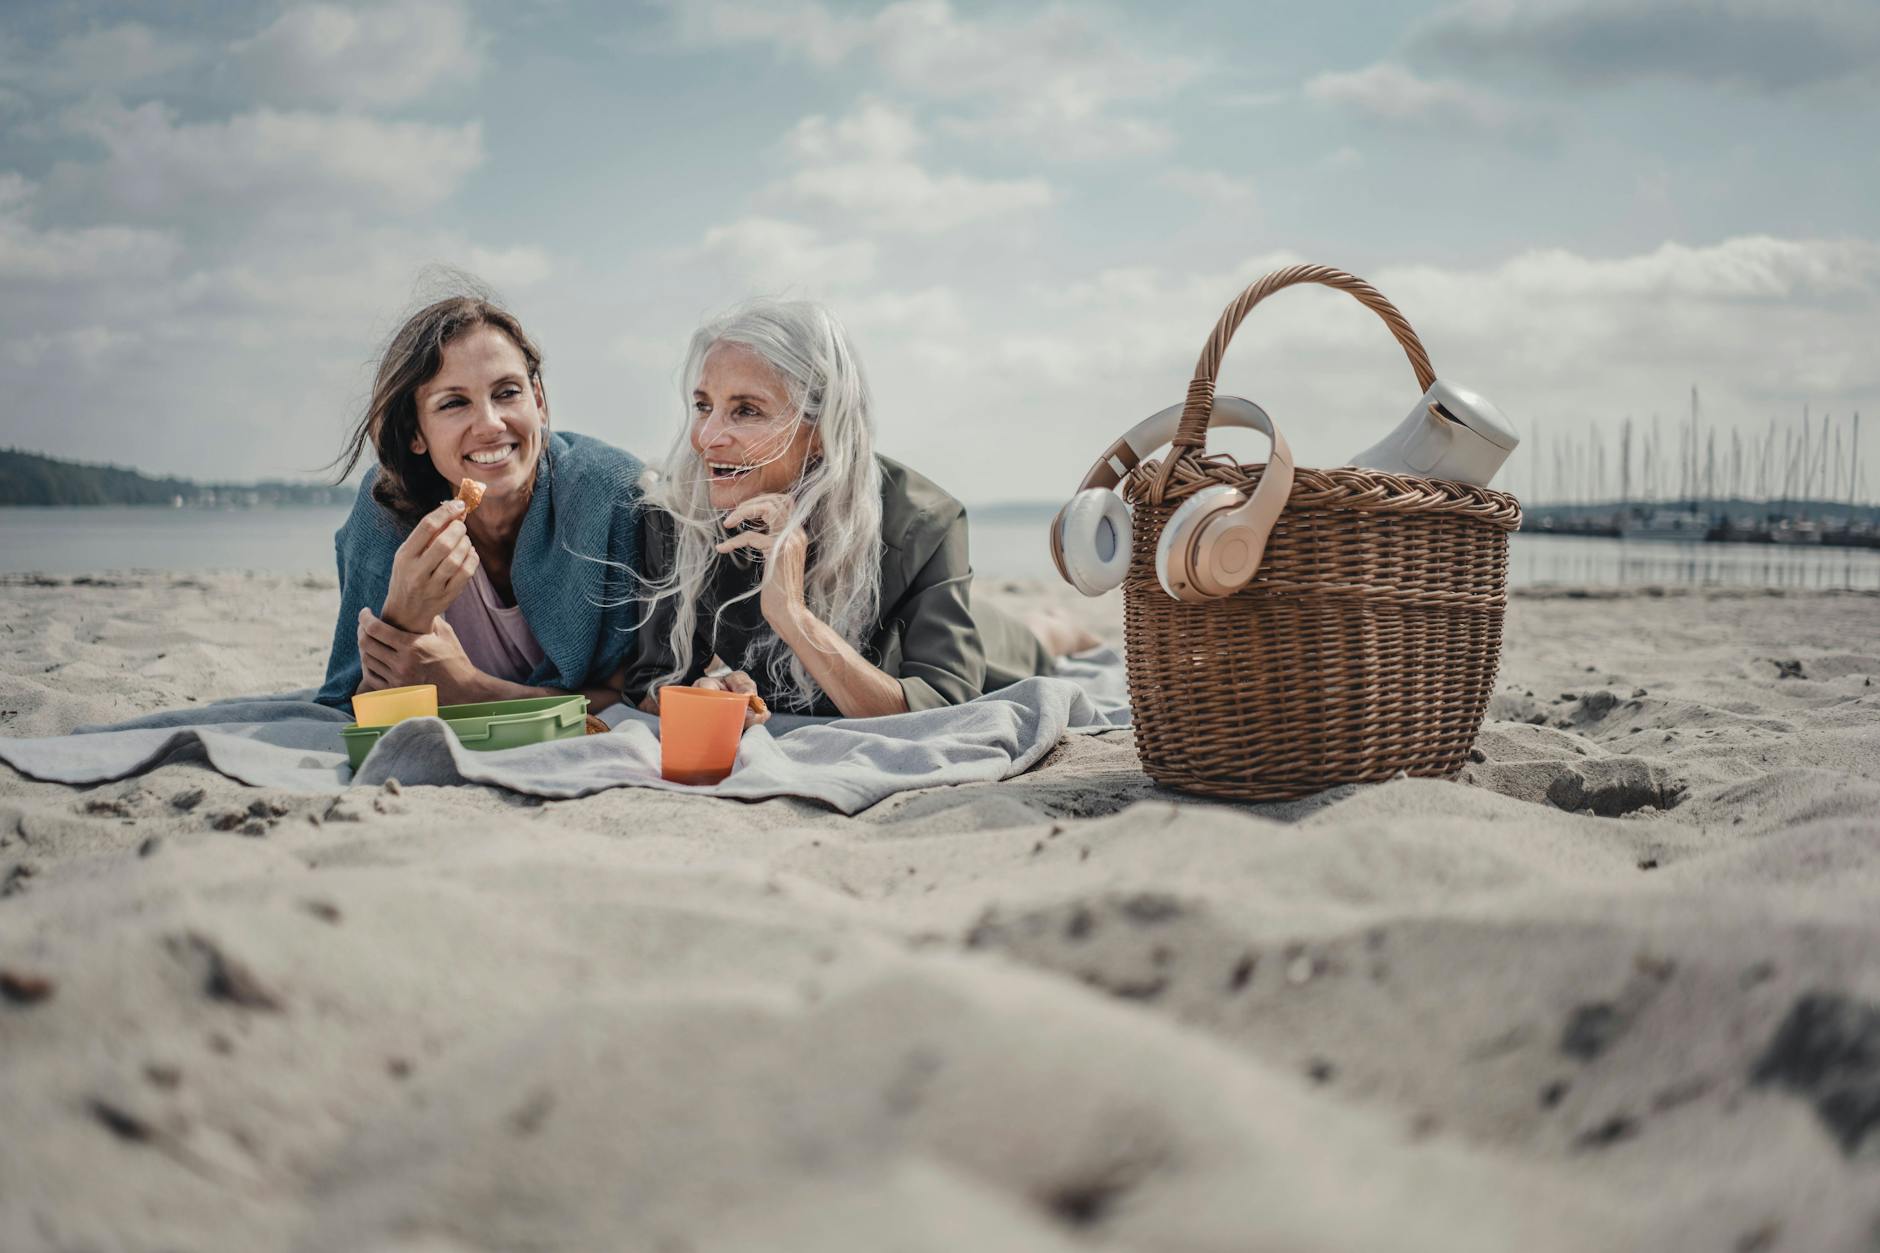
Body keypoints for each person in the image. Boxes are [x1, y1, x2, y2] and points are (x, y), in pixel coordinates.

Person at [623, 298, 1094, 724]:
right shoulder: (678, 515)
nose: (707, 438)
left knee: (1037, 639)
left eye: (746, 411)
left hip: (987, 647)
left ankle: (1056, 628)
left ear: (822, 430)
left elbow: (938, 709)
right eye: (703, 406)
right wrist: (702, 693)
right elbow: (653, 680)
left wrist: (792, 613)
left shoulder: (924, 523)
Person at [316, 290, 643, 712]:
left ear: (538, 401)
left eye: (507, 393)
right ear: (416, 433)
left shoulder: (612, 496)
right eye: (454, 403)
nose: (490, 424)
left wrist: (471, 690)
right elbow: (356, 705)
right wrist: (403, 616)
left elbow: (635, 697)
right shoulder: (389, 509)